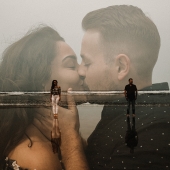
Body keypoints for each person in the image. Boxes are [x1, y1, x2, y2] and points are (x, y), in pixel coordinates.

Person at [78, 5, 170, 169]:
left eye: (87, 62)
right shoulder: (128, 113)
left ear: (121, 67)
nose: (80, 70)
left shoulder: (151, 132)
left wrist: (70, 143)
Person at [0, 26, 89, 170]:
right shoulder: (40, 159)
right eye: (72, 66)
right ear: (41, 82)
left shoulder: (45, 139)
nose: (82, 71)